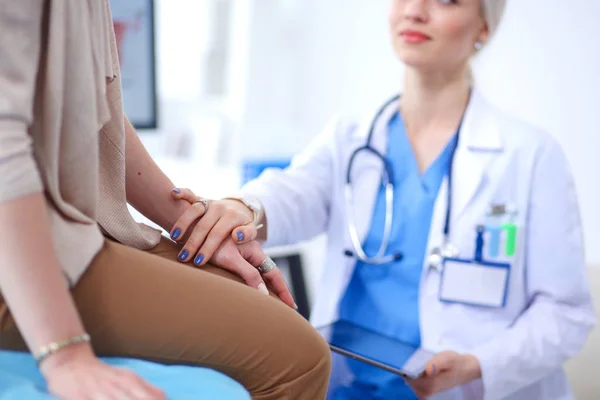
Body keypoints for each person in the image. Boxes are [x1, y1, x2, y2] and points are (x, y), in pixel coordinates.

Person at [173, 0, 596, 398]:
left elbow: (566, 313)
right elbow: (292, 192)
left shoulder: (529, 156)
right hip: (345, 382)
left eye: (446, 0)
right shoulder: (351, 139)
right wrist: (245, 208)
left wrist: (478, 364)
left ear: (483, 26)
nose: (415, 11)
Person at [0, 1, 332, 399]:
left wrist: (194, 224)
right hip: (21, 239)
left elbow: (90, 103)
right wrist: (65, 356)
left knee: (252, 296)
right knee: (297, 357)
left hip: (70, 224)